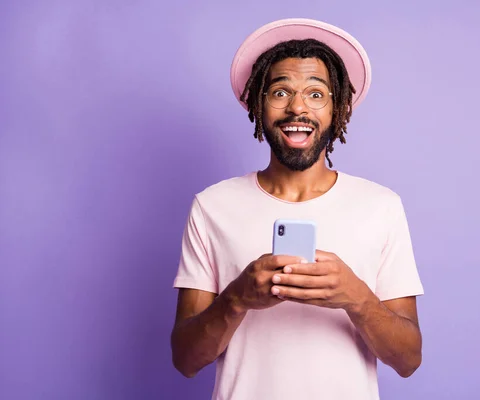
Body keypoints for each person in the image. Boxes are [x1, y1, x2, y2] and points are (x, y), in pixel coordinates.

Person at [170, 18, 424, 400]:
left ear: (338, 109)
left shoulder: (381, 207)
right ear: (259, 103)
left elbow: (408, 359)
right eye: (280, 92)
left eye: (316, 94)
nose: (298, 107)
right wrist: (238, 297)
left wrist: (356, 297)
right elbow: (186, 360)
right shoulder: (212, 206)